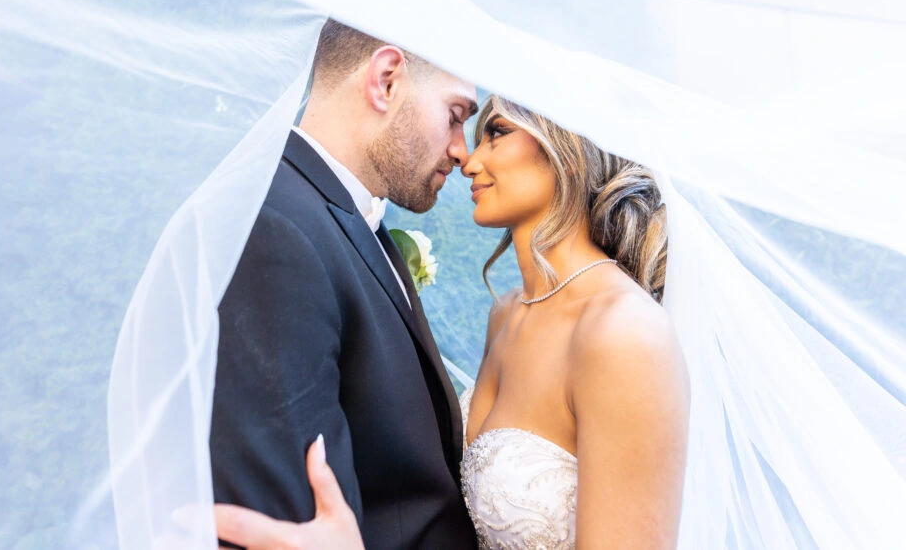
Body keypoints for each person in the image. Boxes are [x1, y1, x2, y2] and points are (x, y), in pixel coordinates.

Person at [215, 94, 690, 549]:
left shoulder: (625, 333)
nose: (469, 161)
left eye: (496, 133)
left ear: (568, 150)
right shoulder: (507, 314)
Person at [209, 18, 480, 549]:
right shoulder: (277, 229)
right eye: (454, 117)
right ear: (386, 81)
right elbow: (291, 520)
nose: (461, 151)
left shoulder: (343, 217)